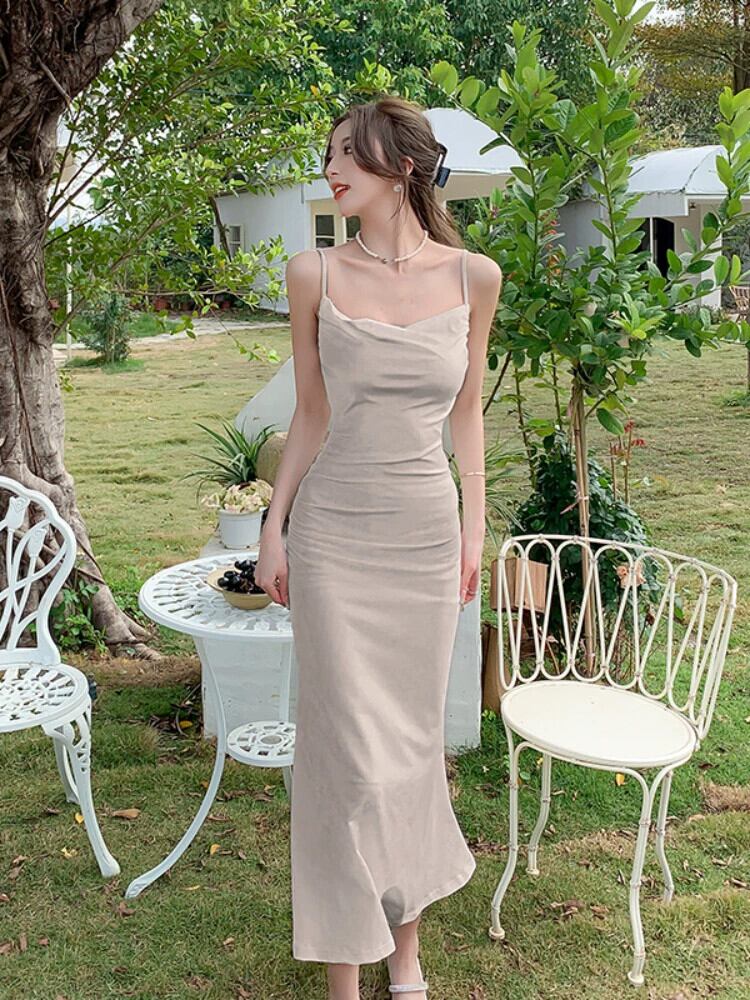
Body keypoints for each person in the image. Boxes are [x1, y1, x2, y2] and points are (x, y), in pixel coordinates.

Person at [255, 95, 503, 1000]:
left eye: (346, 154)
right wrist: (273, 526)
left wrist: (475, 525)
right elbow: (310, 412)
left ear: (402, 166)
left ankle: (406, 949)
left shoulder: (475, 276)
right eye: (327, 154)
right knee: (342, 757)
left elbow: (467, 415)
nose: (330, 169)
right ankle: (344, 973)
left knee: (408, 750)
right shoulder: (312, 272)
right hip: (333, 537)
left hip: (425, 536)